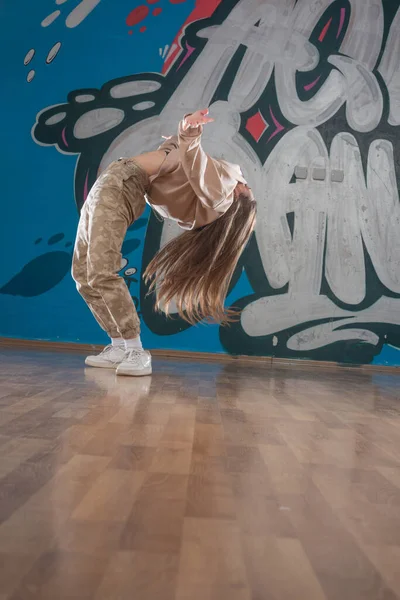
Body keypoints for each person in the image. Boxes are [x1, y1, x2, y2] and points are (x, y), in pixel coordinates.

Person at [72, 109, 256, 376]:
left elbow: (197, 164)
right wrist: (178, 140)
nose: (245, 181)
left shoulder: (225, 194)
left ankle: (135, 349)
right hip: (115, 181)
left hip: (121, 183)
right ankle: (119, 345)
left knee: (99, 271)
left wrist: (189, 132)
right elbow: (192, 167)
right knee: (82, 274)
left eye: (247, 187)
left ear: (240, 201)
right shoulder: (206, 200)